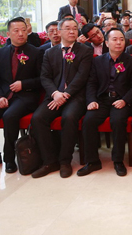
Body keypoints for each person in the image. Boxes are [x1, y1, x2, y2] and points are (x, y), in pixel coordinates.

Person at [0, 17, 42, 174]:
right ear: (8, 34)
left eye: (23, 30)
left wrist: (23, 84)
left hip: (25, 96)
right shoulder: (0, 53)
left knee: (10, 116)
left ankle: (10, 159)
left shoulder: (36, 52)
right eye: (16, 31)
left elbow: (42, 79)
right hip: (3, 95)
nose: (21, 34)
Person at [30, 17, 93, 178]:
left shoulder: (85, 50)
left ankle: (65, 161)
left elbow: (82, 76)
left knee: (69, 117)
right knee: (38, 118)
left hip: (75, 96)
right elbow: (45, 77)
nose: (72, 31)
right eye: (68, 28)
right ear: (59, 31)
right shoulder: (49, 53)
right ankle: (49, 161)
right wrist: (55, 94)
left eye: (75, 28)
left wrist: (65, 94)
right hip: (54, 95)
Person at [77, 28, 132, 177]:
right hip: (102, 99)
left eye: (121, 39)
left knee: (118, 121)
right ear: (106, 43)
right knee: (89, 120)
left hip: (121, 99)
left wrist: (125, 100)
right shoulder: (97, 61)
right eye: (114, 39)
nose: (118, 42)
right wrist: (92, 100)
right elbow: (91, 83)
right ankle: (92, 161)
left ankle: (118, 160)